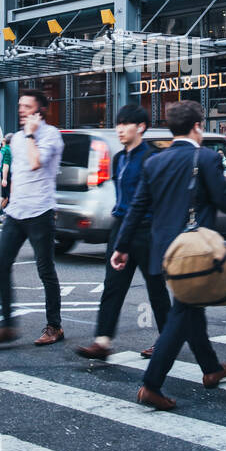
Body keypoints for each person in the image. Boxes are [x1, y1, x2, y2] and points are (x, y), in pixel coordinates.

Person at [111, 99, 226, 410]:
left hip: (163, 251)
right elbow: (225, 201)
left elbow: (138, 207)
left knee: (190, 309)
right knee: (182, 314)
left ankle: (210, 368)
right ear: (196, 126)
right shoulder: (206, 158)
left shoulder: (154, 161)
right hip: (195, 252)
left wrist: (121, 247)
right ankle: (151, 385)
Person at [75, 105, 172, 362]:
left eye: (125, 124)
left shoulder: (151, 158)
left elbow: (151, 201)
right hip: (121, 226)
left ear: (140, 127)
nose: (119, 129)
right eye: (117, 124)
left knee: (156, 288)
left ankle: (166, 340)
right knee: (113, 285)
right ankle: (102, 341)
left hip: (145, 230)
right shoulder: (119, 158)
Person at [0, 89, 65, 346]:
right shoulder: (15, 140)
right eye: (20, 105)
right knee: (0, 264)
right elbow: (18, 174)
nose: (21, 109)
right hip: (16, 212)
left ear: (40, 110)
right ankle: (6, 325)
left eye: (27, 106)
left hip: (41, 212)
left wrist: (30, 134)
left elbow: (36, 162)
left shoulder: (50, 135)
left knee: (45, 270)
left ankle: (54, 326)